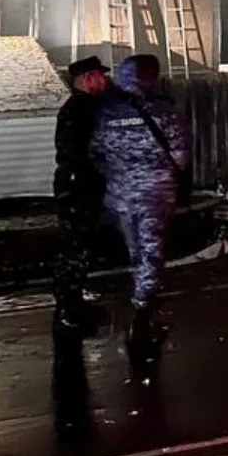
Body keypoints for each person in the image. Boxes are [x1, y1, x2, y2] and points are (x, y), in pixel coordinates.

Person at [91, 54, 190, 354]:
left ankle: (142, 299)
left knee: (136, 252)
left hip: (120, 196)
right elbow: (182, 157)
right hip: (154, 195)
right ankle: (141, 317)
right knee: (152, 254)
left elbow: (95, 153)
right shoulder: (165, 111)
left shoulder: (107, 113)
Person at [52, 57, 109, 336]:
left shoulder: (77, 107)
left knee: (78, 246)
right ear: (87, 78)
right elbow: (86, 151)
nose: (105, 81)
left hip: (76, 183)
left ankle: (72, 304)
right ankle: (69, 311)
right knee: (74, 249)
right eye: (100, 76)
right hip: (78, 185)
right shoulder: (84, 108)